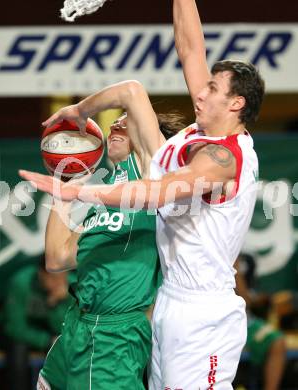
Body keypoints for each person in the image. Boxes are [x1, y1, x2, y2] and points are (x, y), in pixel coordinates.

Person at [19, 1, 265, 389]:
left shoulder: (225, 157)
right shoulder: (200, 132)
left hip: (205, 310)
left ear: (236, 104)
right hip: (170, 300)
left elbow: (155, 194)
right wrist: (82, 109)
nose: (200, 94)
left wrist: (77, 192)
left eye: (213, 90)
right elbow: (189, 46)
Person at [34, 110, 185, 390]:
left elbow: (134, 93)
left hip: (114, 335)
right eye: (115, 122)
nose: (115, 124)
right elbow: (57, 258)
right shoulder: (101, 203)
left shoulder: (153, 176)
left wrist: (84, 107)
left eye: (127, 121)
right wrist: (66, 182)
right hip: (76, 325)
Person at [4, 256, 72, 390]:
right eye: (54, 278)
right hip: (23, 337)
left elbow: (65, 327)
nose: (60, 282)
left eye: (63, 277)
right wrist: (46, 340)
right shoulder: (22, 282)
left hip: (51, 334)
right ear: (41, 273)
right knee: (18, 351)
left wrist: (58, 303)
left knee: (68, 349)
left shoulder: (69, 286)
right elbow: (14, 327)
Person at [235, 255, 286, 390]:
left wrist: (260, 299)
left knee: (277, 341)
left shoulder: (244, 259)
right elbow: (245, 299)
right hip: (218, 322)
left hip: (245, 321)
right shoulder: (226, 256)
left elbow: (247, 300)